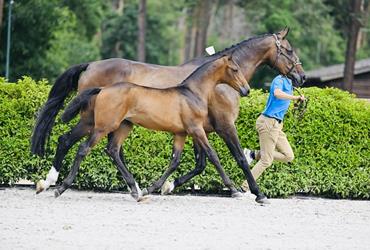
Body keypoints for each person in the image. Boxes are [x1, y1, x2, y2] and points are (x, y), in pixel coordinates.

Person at [241, 74, 305, 192]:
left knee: (288, 156)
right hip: (268, 122)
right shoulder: (279, 79)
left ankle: (252, 154)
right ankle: (244, 187)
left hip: (277, 125)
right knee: (266, 160)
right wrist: (295, 98)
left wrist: (297, 102)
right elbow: (277, 93)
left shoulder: (289, 83)